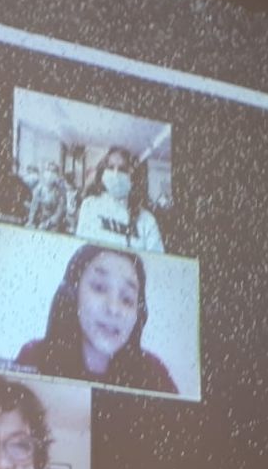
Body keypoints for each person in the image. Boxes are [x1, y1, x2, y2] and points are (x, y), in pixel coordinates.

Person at [14, 243, 178, 394]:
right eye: (99, 288)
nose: (113, 309)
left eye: (127, 299)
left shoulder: (153, 374)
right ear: (72, 295)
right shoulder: (36, 356)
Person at [74, 146, 164, 252]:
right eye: (111, 168)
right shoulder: (90, 206)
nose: (115, 174)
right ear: (103, 172)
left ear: (133, 177)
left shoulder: (147, 220)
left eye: (122, 169)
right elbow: (80, 248)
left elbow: (156, 258)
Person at [26, 162, 69, 232]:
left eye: (53, 171)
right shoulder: (39, 189)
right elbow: (34, 206)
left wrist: (49, 223)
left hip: (54, 225)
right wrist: (31, 221)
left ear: (57, 174)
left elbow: (60, 210)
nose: (50, 174)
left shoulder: (60, 192)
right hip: (39, 222)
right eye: (49, 170)